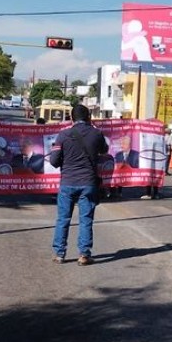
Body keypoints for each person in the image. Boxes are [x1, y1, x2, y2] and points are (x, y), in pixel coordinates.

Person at [49, 105, 108, 266]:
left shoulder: (63, 135)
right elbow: (104, 150)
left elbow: (53, 161)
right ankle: (84, 254)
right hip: (88, 183)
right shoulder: (97, 133)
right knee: (86, 219)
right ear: (89, 117)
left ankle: (60, 254)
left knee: (63, 219)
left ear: (71, 118)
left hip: (67, 182)